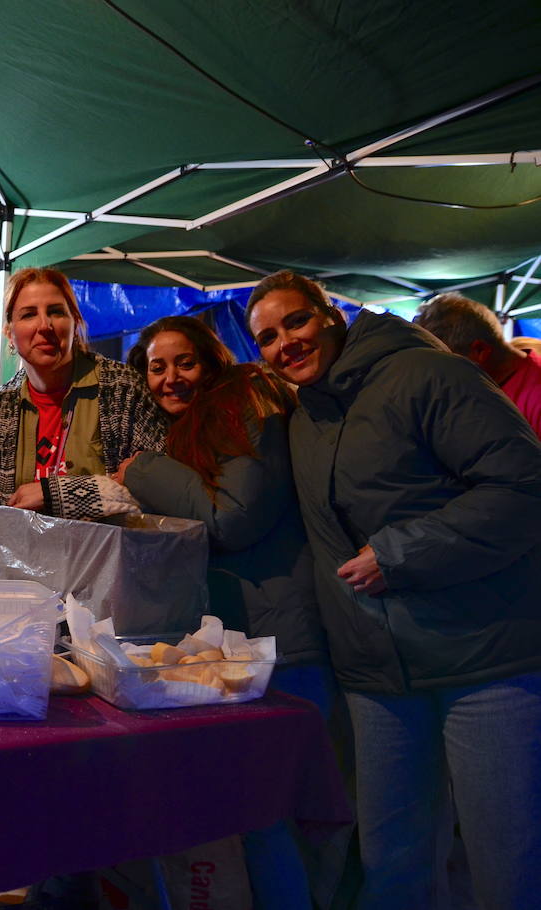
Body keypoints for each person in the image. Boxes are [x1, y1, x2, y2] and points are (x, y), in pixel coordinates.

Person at [247, 269, 541, 910]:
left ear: (330, 314)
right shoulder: (304, 418)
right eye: (267, 338)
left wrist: (400, 553)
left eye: (295, 322)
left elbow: (523, 487)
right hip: (377, 676)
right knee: (392, 868)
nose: (286, 344)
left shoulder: (429, 376)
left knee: (507, 866)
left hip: (483, 661)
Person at [117, 315, 333, 910]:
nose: (170, 379)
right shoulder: (194, 430)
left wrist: (141, 471)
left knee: (274, 817)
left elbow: (230, 518)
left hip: (282, 643)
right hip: (245, 640)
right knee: (251, 813)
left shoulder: (245, 402)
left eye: (184, 362)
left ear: (211, 361)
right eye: (156, 368)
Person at [0, 267, 166, 579]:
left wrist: (54, 492)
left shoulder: (122, 388)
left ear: (75, 322)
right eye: (29, 314)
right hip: (26, 592)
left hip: (114, 581)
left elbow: (157, 491)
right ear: (9, 332)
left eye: (56, 312)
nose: (45, 326)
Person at [414, 291, 541, 436]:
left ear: (480, 350)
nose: (439, 374)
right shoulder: (481, 384)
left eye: (447, 363)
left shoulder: (536, 395)